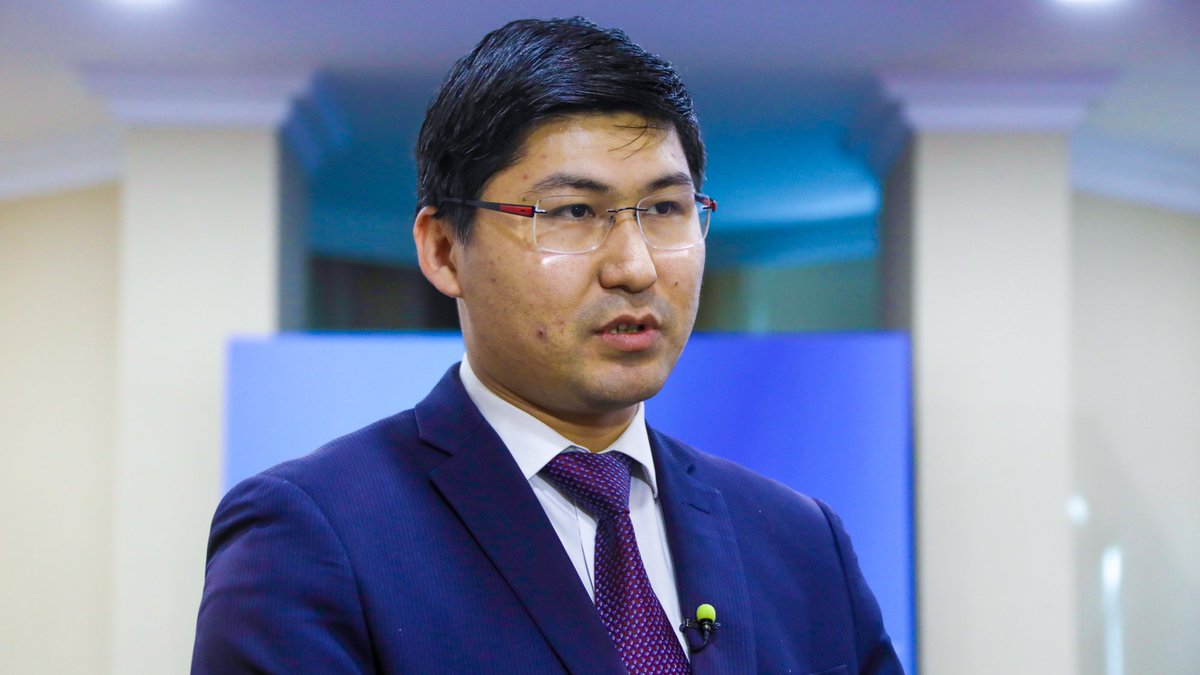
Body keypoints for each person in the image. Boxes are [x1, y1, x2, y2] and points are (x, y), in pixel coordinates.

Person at [192, 17, 903, 675]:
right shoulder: (312, 532)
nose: (635, 266)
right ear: (443, 249)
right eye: (572, 212)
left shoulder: (800, 542)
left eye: (665, 208)